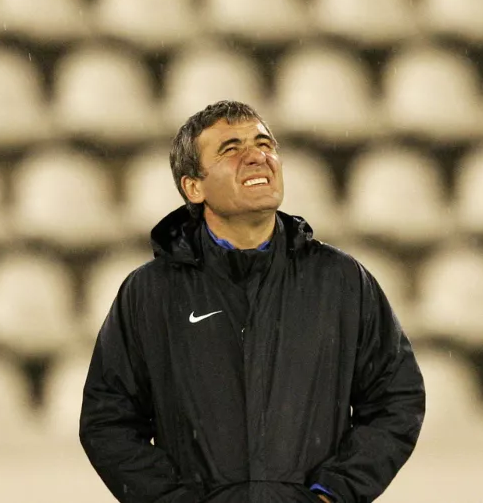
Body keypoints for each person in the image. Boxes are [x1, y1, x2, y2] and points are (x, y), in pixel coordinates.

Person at [80, 100, 426, 503]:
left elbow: (396, 400)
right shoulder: (149, 292)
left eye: (264, 143)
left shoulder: (342, 280)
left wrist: (332, 494)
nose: (257, 156)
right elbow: (108, 421)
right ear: (194, 186)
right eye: (231, 149)